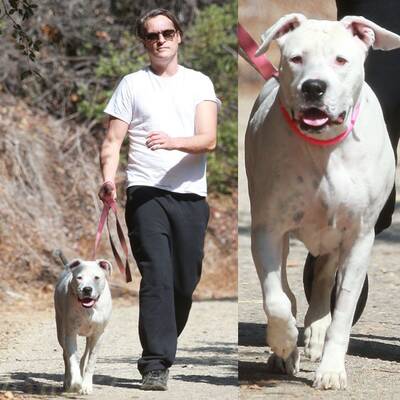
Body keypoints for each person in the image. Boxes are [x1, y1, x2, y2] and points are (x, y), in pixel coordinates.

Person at [98, 8, 219, 391]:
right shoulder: (132, 84)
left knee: (184, 281)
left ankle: (163, 341)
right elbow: (112, 142)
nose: (160, 40)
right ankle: (155, 363)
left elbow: (208, 140)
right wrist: (107, 179)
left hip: (190, 197)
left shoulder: (199, 83)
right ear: (144, 42)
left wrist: (172, 141)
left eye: (167, 32)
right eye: (152, 35)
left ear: (179, 35)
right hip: (146, 192)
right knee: (157, 277)